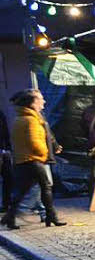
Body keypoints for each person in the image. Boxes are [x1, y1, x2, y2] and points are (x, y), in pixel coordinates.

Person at [1, 89, 65, 229]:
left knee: (23, 190)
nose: (43, 101)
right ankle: (51, 216)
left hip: (23, 160)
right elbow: (35, 142)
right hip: (33, 160)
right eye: (40, 99)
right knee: (46, 186)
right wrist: (44, 153)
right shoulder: (31, 120)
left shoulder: (21, 118)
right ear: (32, 102)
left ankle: (10, 217)